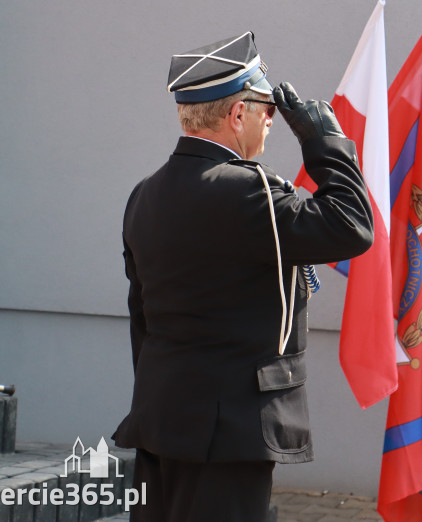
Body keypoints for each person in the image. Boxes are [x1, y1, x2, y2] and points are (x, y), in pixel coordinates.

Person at [112, 31, 374, 522]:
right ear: (237, 116)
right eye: (266, 110)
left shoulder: (144, 194)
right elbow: (352, 226)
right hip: (228, 430)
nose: (271, 122)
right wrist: (324, 141)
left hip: (161, 415)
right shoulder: (249, 192)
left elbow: (141, 319)